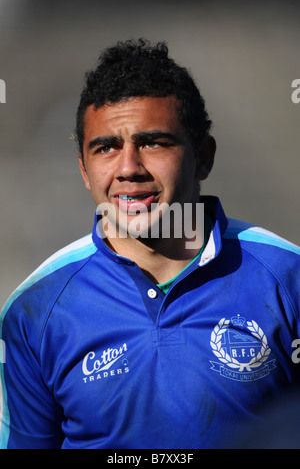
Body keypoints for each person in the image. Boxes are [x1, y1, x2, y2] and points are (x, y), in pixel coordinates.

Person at [0, 38, 299, 450]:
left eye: (154, 142)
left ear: (204, 157)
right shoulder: (35, 309)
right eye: (106, 148)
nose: (129, 169)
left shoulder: (288, 277)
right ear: (85, 171)